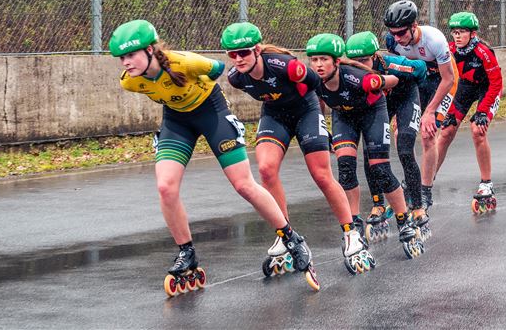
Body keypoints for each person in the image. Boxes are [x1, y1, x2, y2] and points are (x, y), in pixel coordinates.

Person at [109, 20, 318, 295]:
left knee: (243, 184)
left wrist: (199, 88)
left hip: (211, 112)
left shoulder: (184, 62)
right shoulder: (130, 81)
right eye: (121, 57)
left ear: (150, 50)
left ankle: (291, 238)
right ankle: (186, 252)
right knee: (165, 187)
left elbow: (218, 69)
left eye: (131, 55)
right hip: (177, 122)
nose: (126, 62)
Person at [221, 22, 373, 275]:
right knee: (266, 170)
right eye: (232, 54)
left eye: (244, 52)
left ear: (257, 50)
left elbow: (316, 86)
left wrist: (323, 126)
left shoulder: (285, 65)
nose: (238, 59)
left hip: (306, 111)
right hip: (275, 115)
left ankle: (351, 233)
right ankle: (285, 234)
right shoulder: (236, 78)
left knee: (321, 175)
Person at [307, 33, 423, 260]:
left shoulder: (357, 76)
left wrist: (379, 82)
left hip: (372, 113)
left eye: (324, 59)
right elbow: (317, 100)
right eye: (314, 60)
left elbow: (394, 80)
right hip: (344, 117)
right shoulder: (313, 79)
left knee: (380, 168)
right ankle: (354, 224)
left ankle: (403, 221)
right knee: (345, 168)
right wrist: (322, 128)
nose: (319, 65)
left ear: (336, 61)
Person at [345, 31, 427, 242]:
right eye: (355, 61)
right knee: (370, 152)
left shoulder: (393, 64)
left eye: (364, 60)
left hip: (406, 98)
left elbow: (421, 69)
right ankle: (378, 204)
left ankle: (418, 206)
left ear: (375, 56)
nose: (360, 65)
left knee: (405, 149)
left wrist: (421, 100)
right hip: (379, 106)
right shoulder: (349, 73)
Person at [383, 0, 456, 231]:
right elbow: (396, 72)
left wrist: (430, 111)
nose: (397, 38)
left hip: (441, 83)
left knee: (427, 133)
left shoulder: (434, 40)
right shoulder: (392, 41)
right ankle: (411, 181)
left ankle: (425, 190)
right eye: (392, 33)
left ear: (414, 26)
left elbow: (449, 79)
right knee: (400, 133)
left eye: (401, 33)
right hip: (415, 83)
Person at [435, 12, 503, 213]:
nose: (457, 36)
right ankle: (427, 179)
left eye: (462, 32)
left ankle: (486, 183)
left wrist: (482, 111)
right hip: (465, 87)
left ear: (473, 33)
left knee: (477, 130)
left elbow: (496, 83)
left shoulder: (484, 52)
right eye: (454, 32)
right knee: (446, 131)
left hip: (488, 88)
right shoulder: (449, 50)